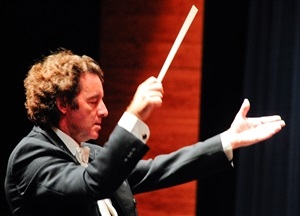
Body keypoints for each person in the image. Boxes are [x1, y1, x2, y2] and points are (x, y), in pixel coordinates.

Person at [4, 48, 285, 216]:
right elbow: (93, 183)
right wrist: (134, 116)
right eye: (93, 102)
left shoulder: (94, 155)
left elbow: (158, 170)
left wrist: (227, 140)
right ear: (63, 104)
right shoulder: (32, 158)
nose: (104, 111)